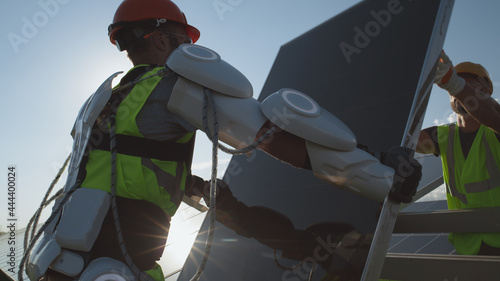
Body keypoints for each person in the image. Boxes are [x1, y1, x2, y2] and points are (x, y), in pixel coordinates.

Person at [32, 0, 421, 280]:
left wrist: (193, 186)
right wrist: (383, 172)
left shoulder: (100, 99)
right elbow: (268, 137)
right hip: (114, 267)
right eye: (183, 38)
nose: (187, 47)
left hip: (56, 262)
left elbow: (115, 169)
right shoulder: (170, 86)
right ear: (163, 40)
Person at [417, 51, 500, 256]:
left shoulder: (494, 128)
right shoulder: (444, 137)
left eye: (469, 83)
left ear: (488, 89)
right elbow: (405, 139)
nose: (459, 90)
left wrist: (454, 83)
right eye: (451, 85)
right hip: (467, 249)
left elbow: (495, 116)